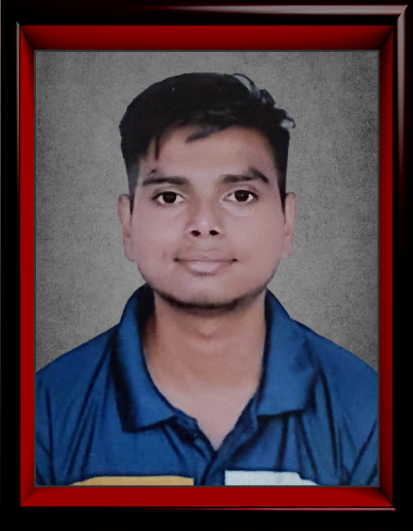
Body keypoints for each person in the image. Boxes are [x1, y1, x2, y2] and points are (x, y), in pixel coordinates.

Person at [36, 73, 377, 486]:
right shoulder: (44, 411)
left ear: (287, 223)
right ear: (128, 224)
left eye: (240, 195)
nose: (203, 223)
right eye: (169, 197)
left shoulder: (369, 410)